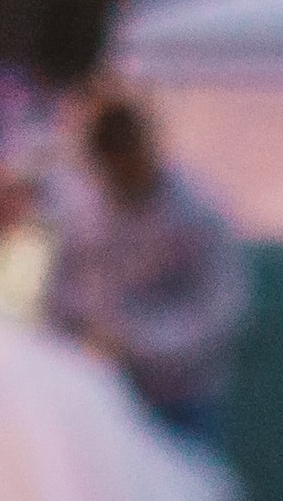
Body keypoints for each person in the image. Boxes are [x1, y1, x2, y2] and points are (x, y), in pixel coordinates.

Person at [45, 89, 250, 433]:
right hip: (106, 395)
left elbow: (222, 310)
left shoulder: (195, 213)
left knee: (184, 483)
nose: (121, 170)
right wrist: (79, 347)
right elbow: (61, 300)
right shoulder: (83, 215)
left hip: (179, 399)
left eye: (128, 154)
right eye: (110, 161)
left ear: (147, 146)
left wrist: (139, 341)